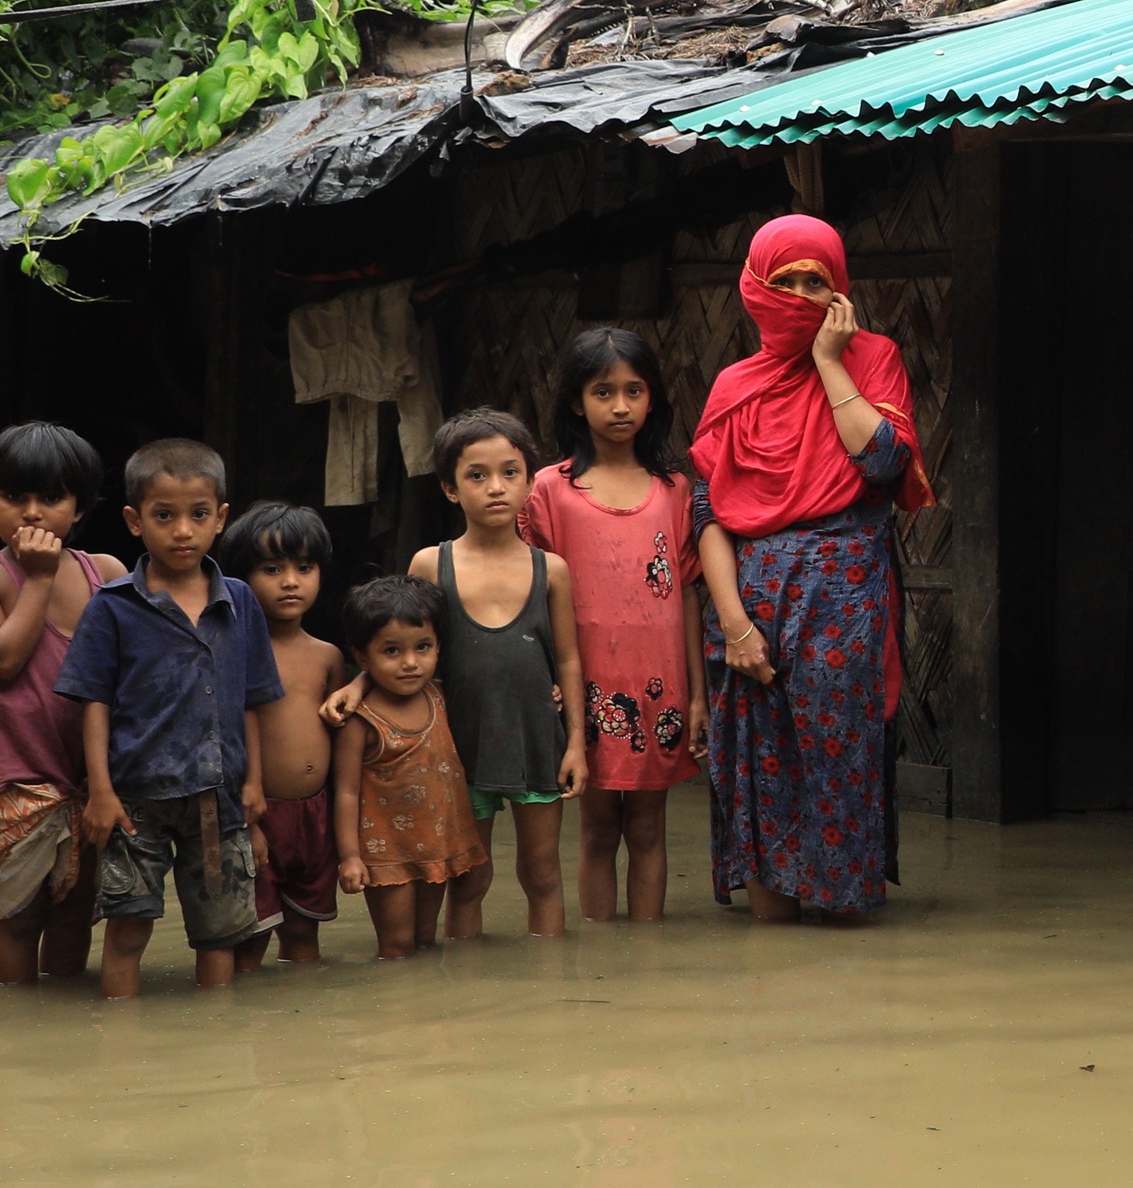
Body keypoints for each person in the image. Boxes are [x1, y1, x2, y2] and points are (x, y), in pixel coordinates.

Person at [690, 214, 933, 922]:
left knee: (839, 756)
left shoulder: (874, 358)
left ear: (841, 291)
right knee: (757, 765)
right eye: (785, 281)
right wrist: (735, 626)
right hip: (750, 605)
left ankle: (841, 915)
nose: (801, 297)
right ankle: (772, 924)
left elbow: (884, 463)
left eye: (816, 282)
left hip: (845, 604)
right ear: (755, 288)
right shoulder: (736, 384)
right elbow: (708, 515)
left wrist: (831, 362)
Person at [326, 409, 588, 938]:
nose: (496, 487)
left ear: (531, 481)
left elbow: (568, 660)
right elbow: (398, 643)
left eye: (510, 472)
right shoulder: (430, 564)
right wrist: (358, 682)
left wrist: (577, 742)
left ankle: (552, 988)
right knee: (469, 879)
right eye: (477, 475)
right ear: (450, 488)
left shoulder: (550, 569)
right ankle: (462, 983)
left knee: (542, 875)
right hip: (455, 750)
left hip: (536, 740)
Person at [53, 439, 282, 997]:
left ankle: (217, 1045)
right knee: (128, 925)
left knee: (220, 935)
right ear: (134, 521)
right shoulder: (112, 606)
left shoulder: (240, 600)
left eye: (198, 515)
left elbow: (252, 698)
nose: (183, 530)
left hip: (220, 795)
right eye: (165, 516)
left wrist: (254, 781)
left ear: (220, 519)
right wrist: (100, 793)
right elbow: (94, 703)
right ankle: (120, 1047)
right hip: (135, 798)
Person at [520, 329, 708, 922]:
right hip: (587, 689)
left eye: (634, 390)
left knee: (650, 827)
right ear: (577, 402)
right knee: (598, 827)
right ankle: (602, 955)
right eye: (603, 392)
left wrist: (700, 696)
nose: (620, 406)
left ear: (653, 399)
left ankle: (642, 953)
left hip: (661, 689)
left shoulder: (675, 490)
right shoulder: (550, 490)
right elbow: (532, 599)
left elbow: (689, 598)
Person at [0, 422, 127, 985]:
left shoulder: (109, 574)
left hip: (92, 780)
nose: (31, 513)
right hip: (18, 782)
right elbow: (1, 660)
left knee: (77, 917)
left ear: (79, 508)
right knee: (20, 920)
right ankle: (16, 1039)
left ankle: (62, 1046)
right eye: (13, 497)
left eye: (50, 499)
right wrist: (41, 578)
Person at [332, 575, 489, 958]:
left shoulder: (439, 694)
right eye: (391, 651)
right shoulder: (361, 719)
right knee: (397, 946)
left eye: (423, 647)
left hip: (436, 846)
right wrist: (350, 856)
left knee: (425, 940)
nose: (409, 663)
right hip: (387, 854)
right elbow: (346, 791)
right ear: (362, 657)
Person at [220, 501, 345, 970]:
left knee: (303, 933)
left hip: (315, 817)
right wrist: (244, 820)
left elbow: (342, 734)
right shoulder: (236, 649)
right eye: (272, 569)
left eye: (304, 567)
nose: (291, 581)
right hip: (256, 812)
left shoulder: (328, 656)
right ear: (243, 577)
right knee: (248, 938)